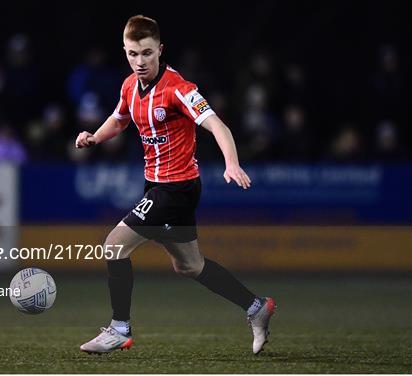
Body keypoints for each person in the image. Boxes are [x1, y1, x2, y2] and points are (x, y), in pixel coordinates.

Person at [75, 15, 275, 355]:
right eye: (133, 54)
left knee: (113, 246)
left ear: (160, 50)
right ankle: (256, 307)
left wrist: (231, 163)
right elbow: (120, 118)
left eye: (147, 54)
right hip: (156, 187)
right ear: (125, 51)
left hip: (176, 190)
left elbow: (218, 126)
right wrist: (95, 136)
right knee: (189, 266)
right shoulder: (128, 86)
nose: (140, 62)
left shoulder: (179, 89)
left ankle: (119, 328)